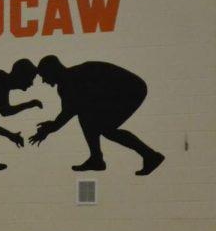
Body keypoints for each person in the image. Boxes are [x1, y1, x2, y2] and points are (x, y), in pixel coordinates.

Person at [30, 55, 165, 175]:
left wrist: (52, 127)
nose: (43, 81)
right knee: (90, 117)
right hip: (123, 89)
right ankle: (97, 159)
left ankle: (149, 156)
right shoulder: (68, 81)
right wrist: (52, 126)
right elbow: (70, 110)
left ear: (52, 71)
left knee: (103, 127)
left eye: (43, 76)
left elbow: (69, 111)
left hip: (131, 89)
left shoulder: (70, 82)